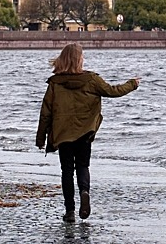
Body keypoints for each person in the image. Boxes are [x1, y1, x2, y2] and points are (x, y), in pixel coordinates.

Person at [35, 43, 140, 223]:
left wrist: (40, 138)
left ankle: (69, 211)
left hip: (63, 134)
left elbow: (46, 112)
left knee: (66, 171)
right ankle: (84, 191)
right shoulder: (91, 79)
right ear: (79, 60)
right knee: (83, 166)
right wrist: (132, 84)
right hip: (85, 132)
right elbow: (113, 91)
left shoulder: (55, 83)